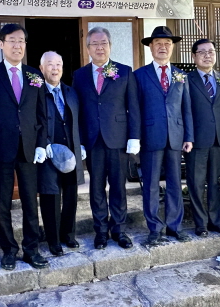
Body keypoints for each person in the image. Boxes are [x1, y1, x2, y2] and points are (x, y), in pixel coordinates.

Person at [0, 23, 49, 271]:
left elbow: (42, 114)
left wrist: (41, 144)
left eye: (21, 41)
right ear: (1, 44)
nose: (17, 45)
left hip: (29, 148)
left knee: (30, 200)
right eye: (12, 40)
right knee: (2, 203)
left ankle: (31, 249)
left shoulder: (34, 74)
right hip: (1, 148)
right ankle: (8, 250)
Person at [72, 27, 140, 250]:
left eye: (103, 43)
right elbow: (76, 111)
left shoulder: (124, 71)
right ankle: (100, 231)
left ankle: (119, 229)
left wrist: (134, 137)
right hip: (93, 140)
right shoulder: (79, 75)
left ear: (110, 46)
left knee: (118, 186)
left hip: (118, 138)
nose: (99, 47)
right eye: (95, 44)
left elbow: (133, 107)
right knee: (97, 187)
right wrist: (79, 141)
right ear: (88, 48)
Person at [134, 26, 193, 244]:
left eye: (167, 43)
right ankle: (154, 228)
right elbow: (135, 109)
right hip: (150, 136)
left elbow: (187, 108)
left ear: (172, 47)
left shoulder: (181, 75)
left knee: (175, 183)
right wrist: (136, 138)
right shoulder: (140, 75)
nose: (163, 47)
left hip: (176, 136)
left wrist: (189, 136)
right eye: (158, 43)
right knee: (150, 184)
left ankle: (174, 226)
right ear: (150, 47)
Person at [37, 51, 86, 256]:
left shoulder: (71, 92)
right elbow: (32, 122)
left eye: (58, 64)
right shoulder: (36, 92)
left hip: (71, 151)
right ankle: (53, 239)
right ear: (42, 68)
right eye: (50, 64)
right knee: (51, 196)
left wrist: (81, 144)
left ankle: (68, 234)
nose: (55, 68)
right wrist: (42, 144)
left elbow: (79, 120)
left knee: (71, 194)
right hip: (48, 152)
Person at [185, 39, 220, 238]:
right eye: (202, 52)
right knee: (196, 183)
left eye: (211, 52)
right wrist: (187, 136)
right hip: (196, 140)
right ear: (194, 56)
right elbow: (185, 110)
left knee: (217, 183)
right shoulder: (186, 79)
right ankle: (200, 223)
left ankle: (216, 221)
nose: (207, 56)